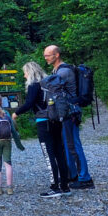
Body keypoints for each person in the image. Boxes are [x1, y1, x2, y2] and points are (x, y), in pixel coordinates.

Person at [13, 61, 71, 197]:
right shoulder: (48, 83)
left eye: (25, 73)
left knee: (49, 154)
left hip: (43, 123)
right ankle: (65, 186)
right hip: (57, 120)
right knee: (60, 153)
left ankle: (54, 187)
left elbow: (29, 104)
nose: (24, 76)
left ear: (30, 72)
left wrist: (16, 113)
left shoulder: (34, 85)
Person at [44, 44, 94, 190]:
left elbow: (48, 85)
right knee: (68, 145)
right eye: (45, 55)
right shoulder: (60, 70)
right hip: (67, 112)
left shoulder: (63, 72)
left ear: (57, 55)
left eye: (48, 55)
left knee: (73, 145)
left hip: (70, 113)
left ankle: (85, 178)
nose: (45, 58)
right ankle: (72, 174)